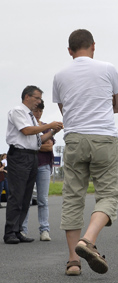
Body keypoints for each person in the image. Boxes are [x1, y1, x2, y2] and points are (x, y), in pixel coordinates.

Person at [53, 29, 118, 276]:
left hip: (74, 138)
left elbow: (65, 110)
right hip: (104, 136)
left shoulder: (60, 75)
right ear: (93, 46)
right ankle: (88, 240)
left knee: (73, 196)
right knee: (108, 194)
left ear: (70, 50)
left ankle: (73, 261)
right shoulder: (107, 69)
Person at [4, 86, 62, 244]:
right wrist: (47, 125)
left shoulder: (31, 117)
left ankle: (18, 230)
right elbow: (26, 131)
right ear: (27, 97)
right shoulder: (18, 111)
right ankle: (9, 232)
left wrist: (53, 130)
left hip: (32, 156)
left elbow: (38, 139)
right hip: (20, 156)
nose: (39, 101)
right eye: (37, 98)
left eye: (40, 99)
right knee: (17, 195)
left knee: (26, 197)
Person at [21, 101, 54, 241]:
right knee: (26, 198)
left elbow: (49, 147)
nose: (38, 113)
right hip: (28, 165)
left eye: (40, 111)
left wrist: (32, 144)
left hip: (44, 165)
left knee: (43, 199)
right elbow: (23, 144)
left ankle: (44, 230)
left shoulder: (46, 127)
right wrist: (39, 143)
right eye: (36, 111)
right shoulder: (26, 128)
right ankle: (22, 230)